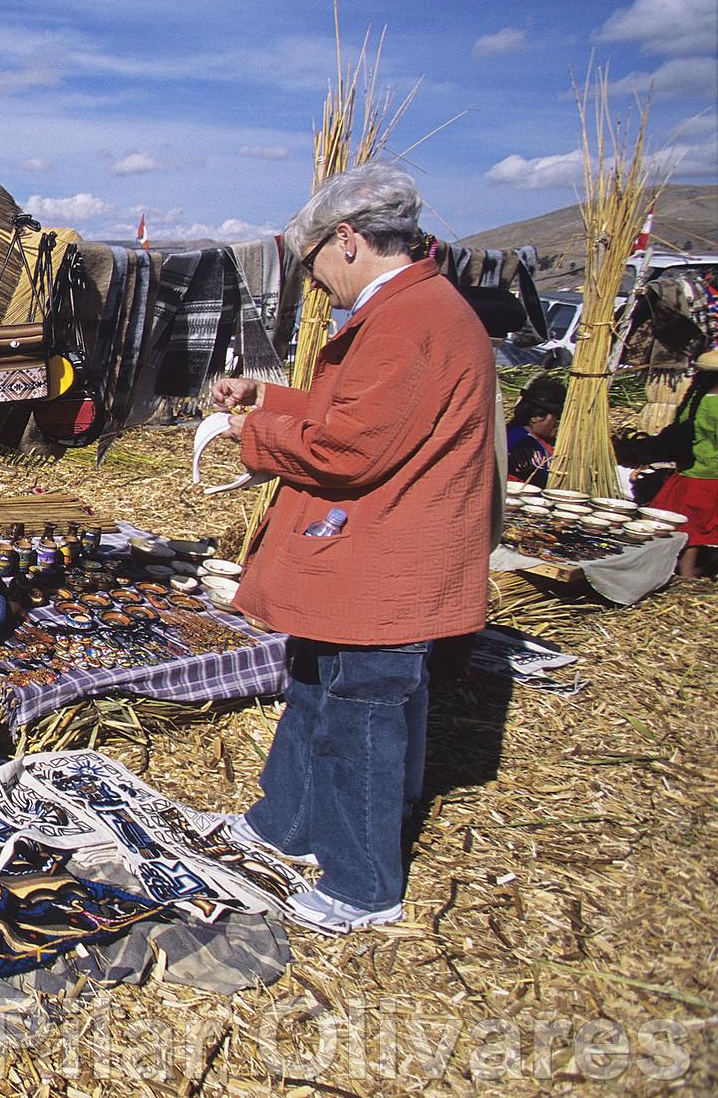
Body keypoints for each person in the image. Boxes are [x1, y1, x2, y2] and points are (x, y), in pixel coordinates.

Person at [208, 162, 498, 935]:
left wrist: (250, 431)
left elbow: (351, 447)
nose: (313, 281)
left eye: (311, 263)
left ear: (346, 239)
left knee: (363, 714)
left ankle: (363, 885)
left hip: (388, 558)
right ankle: (285, 824)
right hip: (363, 551)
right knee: (315, 682)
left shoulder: (409, 320)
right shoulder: (409, 310)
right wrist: (268, 398)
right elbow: (366, 409)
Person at [648, 348, 718, 578]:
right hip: (709, 477)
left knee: (687, 528)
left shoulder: (695, 401)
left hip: (688, 473)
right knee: (696, 530)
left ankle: (684, 570)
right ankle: (687, 575)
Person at [506, 390, 560, 488]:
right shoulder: (521, 441)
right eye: (557, 418)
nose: (558, 423)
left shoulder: (541, 440)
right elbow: (536, 479)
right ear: (537, 417)